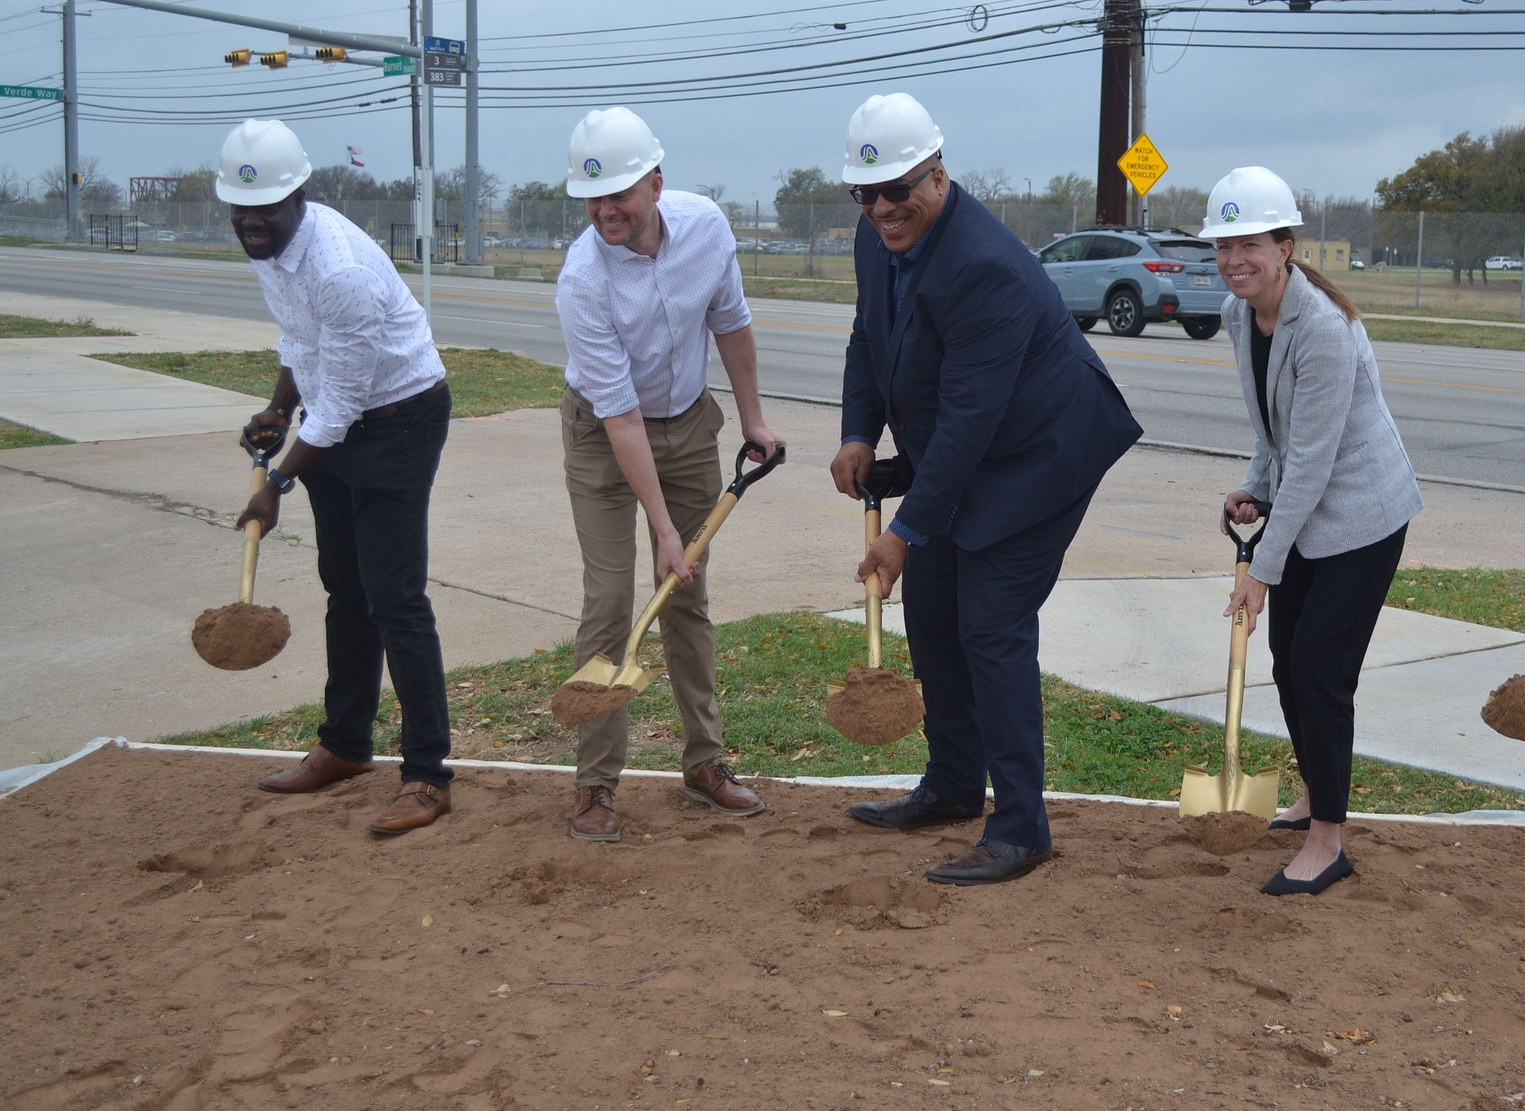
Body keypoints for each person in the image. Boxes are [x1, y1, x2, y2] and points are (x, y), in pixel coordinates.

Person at [830, 93, 1142, 885]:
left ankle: (1021, 827)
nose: (881, 209)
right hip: (971, 450)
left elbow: (972, 420)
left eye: (898, 189)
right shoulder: (879, 243)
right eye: (865, 194)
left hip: (1042, 452)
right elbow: (869, 337)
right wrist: (858, 434)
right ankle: (953, 784)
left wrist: (902, 533)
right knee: (934, 610)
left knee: (992, 625)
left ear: (937, 175)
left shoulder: (985, 267)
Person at [554, 108, 785, 842]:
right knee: (609, 601)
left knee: (688, 597)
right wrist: (662, 530)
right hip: (602, 434)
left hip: (688, 425)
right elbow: (619, 417)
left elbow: (731, 321)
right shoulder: (583, 279)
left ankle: (704, 764)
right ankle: (596, 787)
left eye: (618, 192)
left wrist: (752, 419)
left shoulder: (707, 228)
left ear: (656, 182)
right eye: (591, 198)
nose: (604, 211)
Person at [220, 119, 456, 834]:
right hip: (336, 422)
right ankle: (346, 746)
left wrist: (277, 481)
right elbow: (301, 339)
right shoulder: (271, 247)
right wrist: (275, 406)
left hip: (398, 423)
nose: (252, 222)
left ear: (301, 194)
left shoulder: (339, 267)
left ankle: (427, 776)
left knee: (395, 598)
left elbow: (346, 406)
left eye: (266, 209)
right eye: (241, 209)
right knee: (345, 590)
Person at [1207, 167, 1423, 897]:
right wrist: (1252, 488)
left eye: (1250, 245)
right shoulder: (1242, 317)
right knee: (1285, 661)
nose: (1235, 260)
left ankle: (1328, 841)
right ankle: (1310, 797)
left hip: (1361, 518)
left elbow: (1315, 458)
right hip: (1305, 510)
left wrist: (1261, 570)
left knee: (1320, 673)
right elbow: (1274, 432)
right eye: (1223, 246)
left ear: (1287, 246)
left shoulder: (1324, 329)